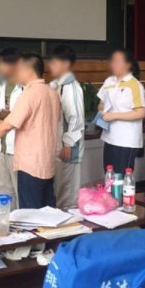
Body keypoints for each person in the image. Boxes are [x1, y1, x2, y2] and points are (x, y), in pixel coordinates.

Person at [0, 53, 61, 209]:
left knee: (30, 213)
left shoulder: (29, 93)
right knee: (47, 211)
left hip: (30, 165)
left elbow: (8, 125)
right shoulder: (52, 93)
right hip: (47, 162)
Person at [97, 48, 145, 173]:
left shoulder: (135, 85)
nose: (113, 64)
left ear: (128, 64)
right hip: (109, 137)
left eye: (118, 61)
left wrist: (114, 116)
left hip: (126, 140)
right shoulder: (109, 81)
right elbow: (101, 103)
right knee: (109, 175)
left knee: (121, 177)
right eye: (113, 61)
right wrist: (101, 111)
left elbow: (141, 112)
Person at [48, 45, 85, 209]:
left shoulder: (71, 87)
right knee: (58, 192)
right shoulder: (55, 85)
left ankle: (70, 223)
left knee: (67, 195)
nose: (51, 66)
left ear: (65, 64)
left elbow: (76, 118)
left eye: (54, 63)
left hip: (68, 148)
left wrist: (68, 144)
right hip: (56, 146)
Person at [0, 48, 23, 208]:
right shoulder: (3, 85)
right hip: (1, 144)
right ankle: (4, 220)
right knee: (2, 189)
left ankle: (20, 221)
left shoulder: (25, 87)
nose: (0, 67)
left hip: (17, 146)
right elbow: (0, 108)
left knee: (18, 189)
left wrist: (3, 121)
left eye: (3, 63)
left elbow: (25, 117)